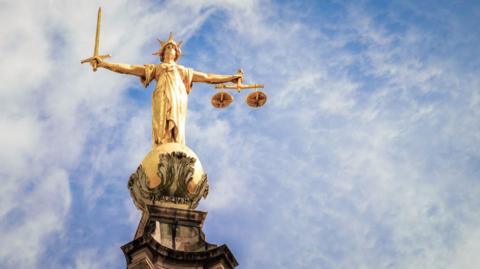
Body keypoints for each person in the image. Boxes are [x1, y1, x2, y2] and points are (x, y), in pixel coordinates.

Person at [92, 33, 241, 146]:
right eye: (168, 47)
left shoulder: (183, 70)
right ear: (162, 54)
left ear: (177, 54)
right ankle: (162, 144)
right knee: (161, 123)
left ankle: (176, 144)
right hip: (162, 95)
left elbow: (208, 77)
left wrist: (231, 78)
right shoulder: (157, 68)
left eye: (173, 48)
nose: (170, 49)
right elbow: (129, 68)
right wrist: (104, 64)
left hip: (178, 97)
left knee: (178, 123)